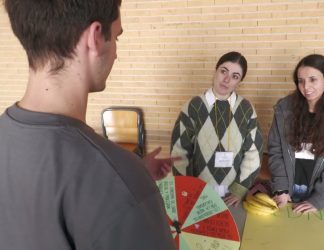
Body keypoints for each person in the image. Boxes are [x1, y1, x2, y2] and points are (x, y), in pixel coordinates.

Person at [0, 0, 176, 249]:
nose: (116, 52)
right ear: (95, 37)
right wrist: (127, 180)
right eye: (117, 38)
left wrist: (128, 175)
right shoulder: (122, 183)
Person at [170, 51, 264, 207]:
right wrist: (187, 189)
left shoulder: (246, 109)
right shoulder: (193, 106)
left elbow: (254, 151)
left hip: (232, 196)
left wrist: (239, 189)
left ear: (239, 81)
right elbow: (179, 151)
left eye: (235, 76)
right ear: (216, 71)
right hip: (198, 193)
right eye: (223, 71)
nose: (226, 80)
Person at [267, 54, 324, 213]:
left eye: (313, 79)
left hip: (322, 199)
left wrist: (319, 200)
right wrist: (281, 188)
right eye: (300, 81)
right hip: (287, 194)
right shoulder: (284, 108)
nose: (306, 87)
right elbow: (276, 150)